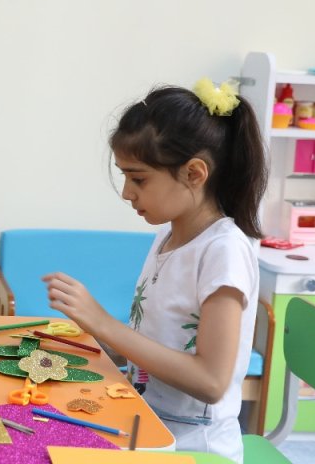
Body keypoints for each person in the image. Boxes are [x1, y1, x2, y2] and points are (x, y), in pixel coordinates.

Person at [43, 80, 267, 462]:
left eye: (139, 178)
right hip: (147, 427)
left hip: (195, 451)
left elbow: (211, 383)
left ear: (195, 174)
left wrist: (103, 323)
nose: (127, 193)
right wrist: (88, 340)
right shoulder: (167, 238)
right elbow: (158, 344)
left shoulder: (223, 251)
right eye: (125, 177)